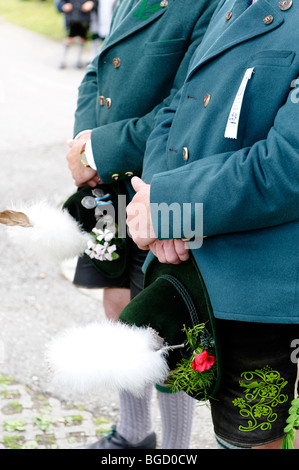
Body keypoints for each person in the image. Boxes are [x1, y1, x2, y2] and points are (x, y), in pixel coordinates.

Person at [126, 0, 299, 449]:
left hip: (267, 296)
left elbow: (287, 167)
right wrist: (161, 211)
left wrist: (166, 207)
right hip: (204, 266)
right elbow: (176, 108)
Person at [65, 0, 220, 450]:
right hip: (109, 180)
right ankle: (134, 432)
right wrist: (84, 148)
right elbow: (98, 69)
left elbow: (188, 103)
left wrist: (100, 150)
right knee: (117, 306)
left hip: (170, 181)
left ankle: (175, 448)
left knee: (164, 323)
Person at [60, 0, 97, 68]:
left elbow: (95, 2)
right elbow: (62, 2)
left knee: (82, 38)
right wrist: (64, 5)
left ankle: (79, 60)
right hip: (71, 17)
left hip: (84, 17)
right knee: (69, 38)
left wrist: (91, 4)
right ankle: (63, 60)